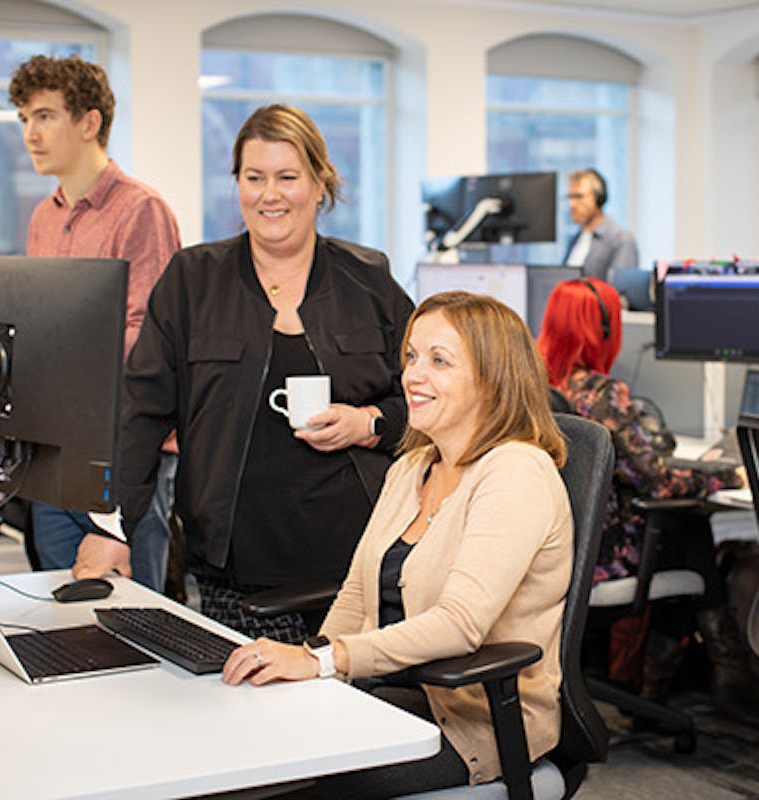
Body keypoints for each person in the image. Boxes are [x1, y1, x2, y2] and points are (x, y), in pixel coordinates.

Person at [79, 104, 413, 643]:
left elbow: (427, 397)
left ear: (319, 181)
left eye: (287, 177)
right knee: (248, 719)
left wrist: (370, 422)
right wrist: (111, 526)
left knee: (360, 720)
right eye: (254, 178)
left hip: (357, 568)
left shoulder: (368, 280)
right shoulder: (192, 280)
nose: (269, 194)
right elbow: (141, 411)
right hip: (236, 573)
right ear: (237, 183)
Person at [222, 291, 572, 798]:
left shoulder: (515, 472)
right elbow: (358, 596)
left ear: (493, 379)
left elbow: (461, 624)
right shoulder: (412, 467)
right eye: (411, 356)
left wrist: (328, 661)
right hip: (387, 694)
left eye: (439, 360)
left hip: (469, 722)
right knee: (240, 747)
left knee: (286, 784)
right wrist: (308, 661)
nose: (412, 375)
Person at [536, 277, 753, 705]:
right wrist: (731, 475)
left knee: (677, 529)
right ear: (601, 331)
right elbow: (656, 480)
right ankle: (708, 667)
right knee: (683, 525)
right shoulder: (601, 394)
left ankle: (682, 678)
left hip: (552, 548)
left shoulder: (531, 385)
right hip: (597, 560)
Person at [8, 54, 181, 591]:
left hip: (126, 450)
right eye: (24, 120)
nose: (31, 134)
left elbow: (146, 343)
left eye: (44, 116)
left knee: (131, 610)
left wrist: (49, 355)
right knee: (57, 602)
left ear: (89, 122)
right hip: (57, 445)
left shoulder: (140, 211)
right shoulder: (45, 215)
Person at [562, 168, 639, 281]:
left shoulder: (621, 240)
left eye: (578, 196)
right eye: (570, 197)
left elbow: (619, 293)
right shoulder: (575, 239)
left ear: (599, 199)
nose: (572, 204)